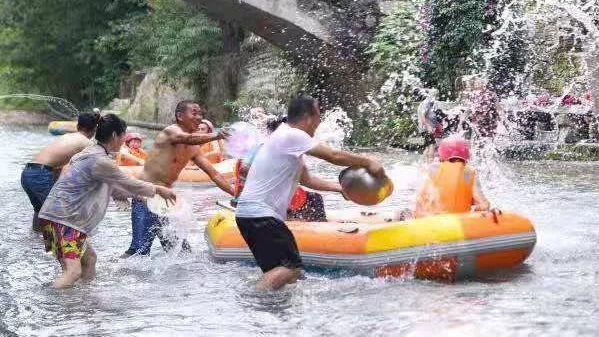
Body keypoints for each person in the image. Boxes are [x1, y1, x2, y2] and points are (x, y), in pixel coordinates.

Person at [235, 95, 385, 291]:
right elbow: (334, 155)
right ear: (308, 117)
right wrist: (368, 162)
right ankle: (253, 300)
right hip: (260, 215)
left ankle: (268, 306)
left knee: (285, 272)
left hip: (250, 215)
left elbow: (307, 179)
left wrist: (339, 188)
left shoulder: (285, 138)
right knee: (290, 269)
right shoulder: (292, 135)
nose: (319, 122)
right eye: (318, 116)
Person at [37, 113, 176, 289]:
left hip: (60, 218)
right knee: (72, 272)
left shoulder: (92, 154)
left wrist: (137, 196)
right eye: (124, 135)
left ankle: (83, 298)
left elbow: (112, 185)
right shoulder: (100, 160)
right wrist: (157, 189)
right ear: (115, 135)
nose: (124, 140)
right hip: (63, 220)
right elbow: (127, 181)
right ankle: (47, 300)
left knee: (89, 260)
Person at [122, 100, 233, 257]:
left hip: (165, 201)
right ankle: (111, 269)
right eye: (194, 113)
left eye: (200, 114)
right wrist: (216, 135)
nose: (199, 117)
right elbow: (186, 138)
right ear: (180, 116)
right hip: (145, 197)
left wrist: (235, 193)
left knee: (182, 254)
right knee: (138, 253)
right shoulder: (170, 132)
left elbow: (214, 174)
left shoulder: (194, 149)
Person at [20, 111, 100, 231]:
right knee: (58, 214)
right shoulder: (87, 143)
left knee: (40, 210)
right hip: (40, 175)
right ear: (94, 130)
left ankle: (35, 238)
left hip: (28, 173)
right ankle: (65, 241)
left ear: (77, 126)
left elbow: (57, 168)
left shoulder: (66, 137)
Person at [414, 136, 490, 217]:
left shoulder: (430, 169)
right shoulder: (469, 173)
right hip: (461, 220)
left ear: (441, 157)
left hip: (430, 220)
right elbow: (484, 205)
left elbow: (418, 202)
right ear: (466, 158)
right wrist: (475, 210)